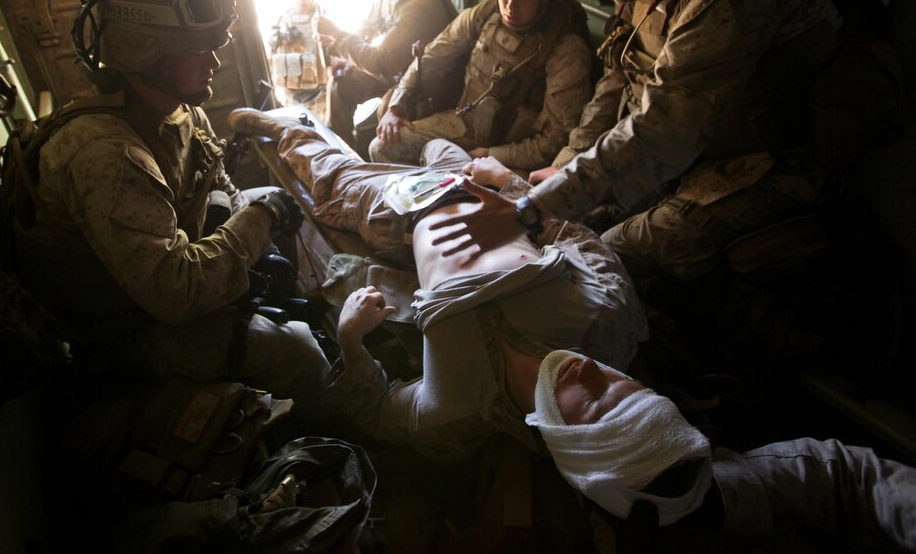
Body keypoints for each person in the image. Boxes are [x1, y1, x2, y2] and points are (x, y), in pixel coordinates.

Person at [429, 0, 847, 287]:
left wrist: (534, 208)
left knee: (607, 257)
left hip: (770, 167)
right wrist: (570, 164)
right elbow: (616, 82)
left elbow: (665, 130)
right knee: (572, 230)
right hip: (690, 155)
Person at [227, 107, 647, 461]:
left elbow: (376, 412)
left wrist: (351, 341)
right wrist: (510, 185)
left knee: (331, 186)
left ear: (567, 442)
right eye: (622, 384)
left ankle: (286, 126)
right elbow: (582, 241)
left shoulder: (455, 412)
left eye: (594, 405)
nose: (594, 369)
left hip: (404, 211)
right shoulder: (609, 317)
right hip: (486, 189)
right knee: (431, 145)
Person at [8, 0, 330, 414]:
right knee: (299, 354)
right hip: (128, 330)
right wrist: (260, 225)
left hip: (169, 271)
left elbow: (216, 183)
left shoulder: (175, 108)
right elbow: (176, 294)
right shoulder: (108, 156)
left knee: (270, 205)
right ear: (144, 52)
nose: (214, 61)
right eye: (196, 49)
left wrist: (256, 243)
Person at [527, 349, 916, 552]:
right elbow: (851, 475)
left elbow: (854, 479)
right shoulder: (777, 475)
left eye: (598, 404)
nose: (591, 366)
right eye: (626, 392)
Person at [370, 0, 593, 171]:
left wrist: (492, 154)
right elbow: (431, 57)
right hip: (460, 124)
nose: (510, 5)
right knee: (382, 144)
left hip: (514, 152)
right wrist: (397, 105)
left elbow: (554, 142)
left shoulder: (566, 50)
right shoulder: (484, 16)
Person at [315, 0, 457, 147]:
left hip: (423, 89)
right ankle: (345, 158)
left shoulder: (423, 4)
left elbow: (382, 61)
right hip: (400, 75)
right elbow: (369, 26)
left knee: (384, 120)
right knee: (341, 84)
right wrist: (348, 57)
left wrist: (339, 38)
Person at [268, 0, 328, 117]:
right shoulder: (281, 23)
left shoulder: (326, 19)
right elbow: (270, 62)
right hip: (292, 101)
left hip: (322, 99)